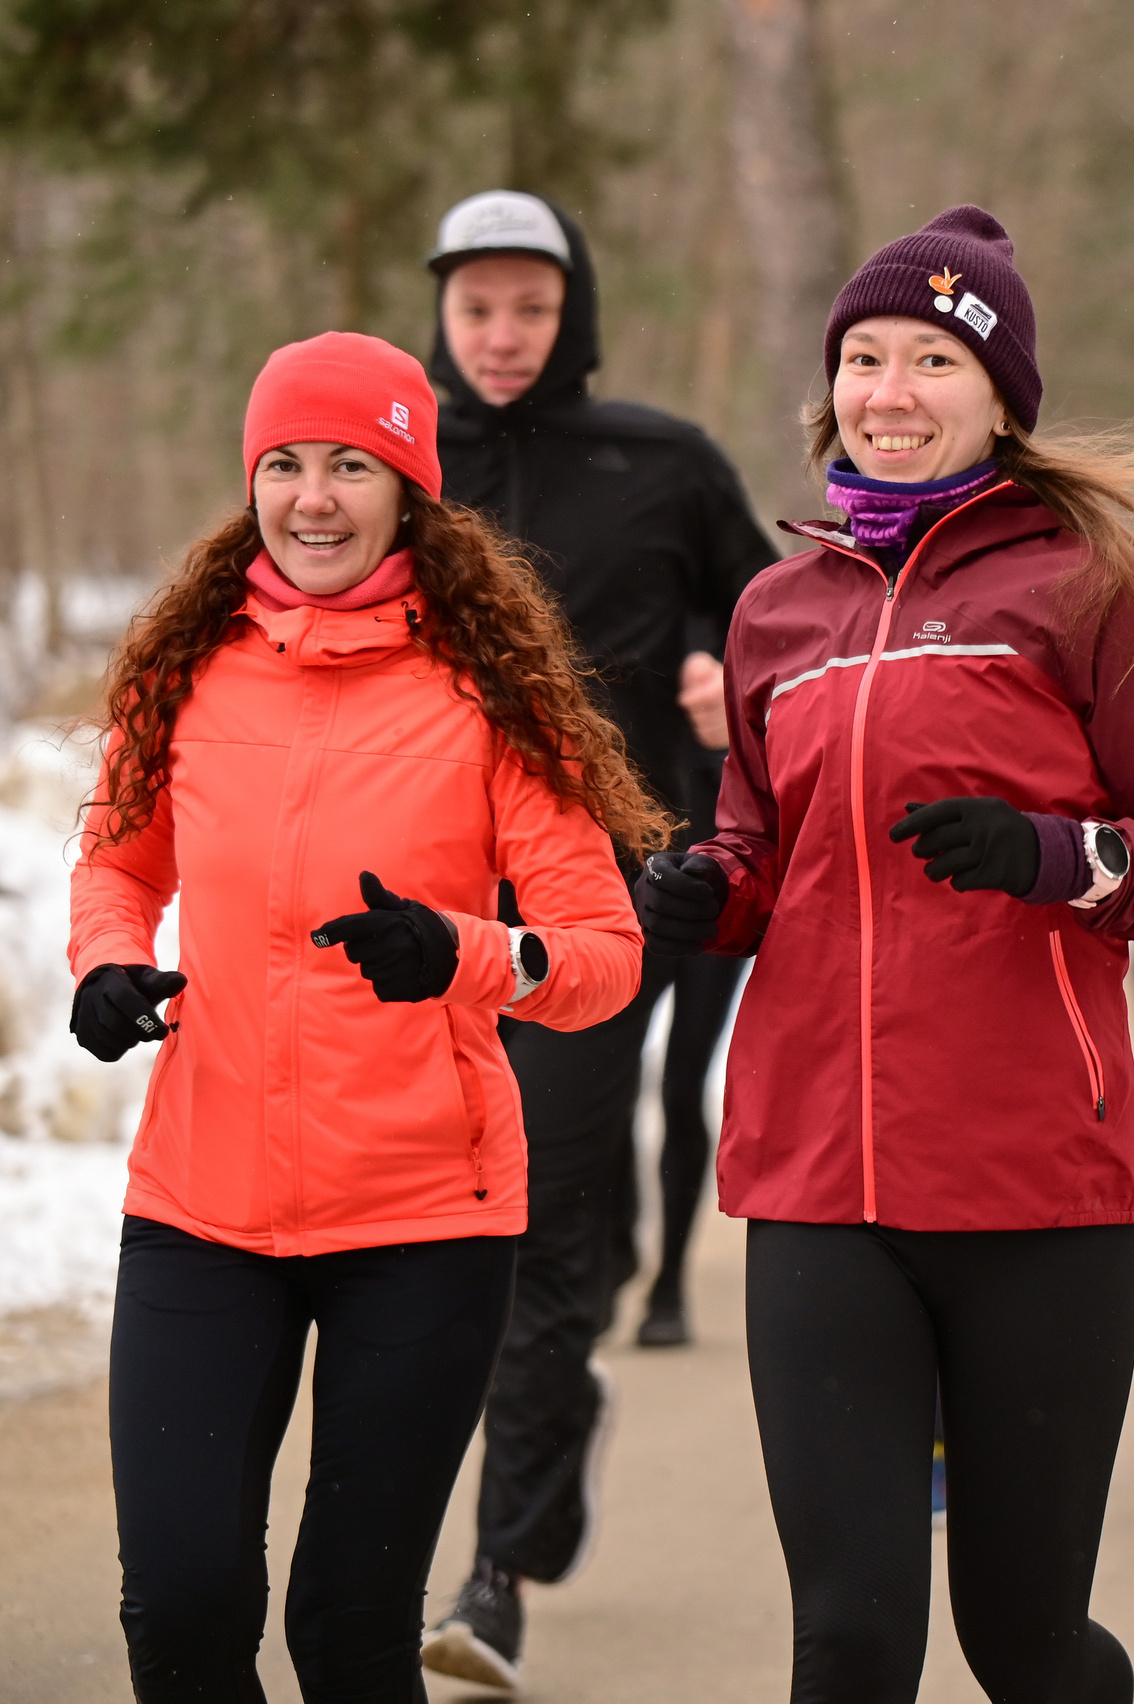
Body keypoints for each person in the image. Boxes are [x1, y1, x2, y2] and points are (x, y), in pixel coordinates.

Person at [633, 205, 1134, 1704]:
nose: (889, 389)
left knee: (1024, 1641)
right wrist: (695, 890)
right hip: (815, 1180)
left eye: (930, 358)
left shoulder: (1090, 589)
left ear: (1000, 399)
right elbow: (759, 855)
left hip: (1037, 1182)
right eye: (862, 357)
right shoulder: (782, 609)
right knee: (848, 1640)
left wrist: (1062, 854)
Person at [69, 333, 652, 1704]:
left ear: (408, 490)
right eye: (284, 463)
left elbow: (599, 955)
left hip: (424, 1220)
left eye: (350, 464)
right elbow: (118, 856)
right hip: (202, 1204)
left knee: (349, 1626)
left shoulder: (489, 691)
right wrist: (105, 964)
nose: (313, 496)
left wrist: (459, 951)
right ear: (251, 481)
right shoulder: (187, 671)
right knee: (185, 1602)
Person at [417, 188, 778, 1690]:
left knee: (539, 1222)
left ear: (575, 314)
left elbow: (785, 625)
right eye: (477, 307)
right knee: (431, 1229)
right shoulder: (390, 463)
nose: (502, 337)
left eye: (532, 307)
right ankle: (549, 1442)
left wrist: (725, 681)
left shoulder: (663, 461)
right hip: (404, 910)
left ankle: (489, 1575)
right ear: (439, 312)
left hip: (591, 903)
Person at [635, 649, 752, 1346]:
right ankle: (612, 1245)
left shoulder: (736, 613)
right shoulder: (613, 622)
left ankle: (669, 1281)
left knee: (683, 1086)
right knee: (604, 1083)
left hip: (715, 890)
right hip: (631, 885)